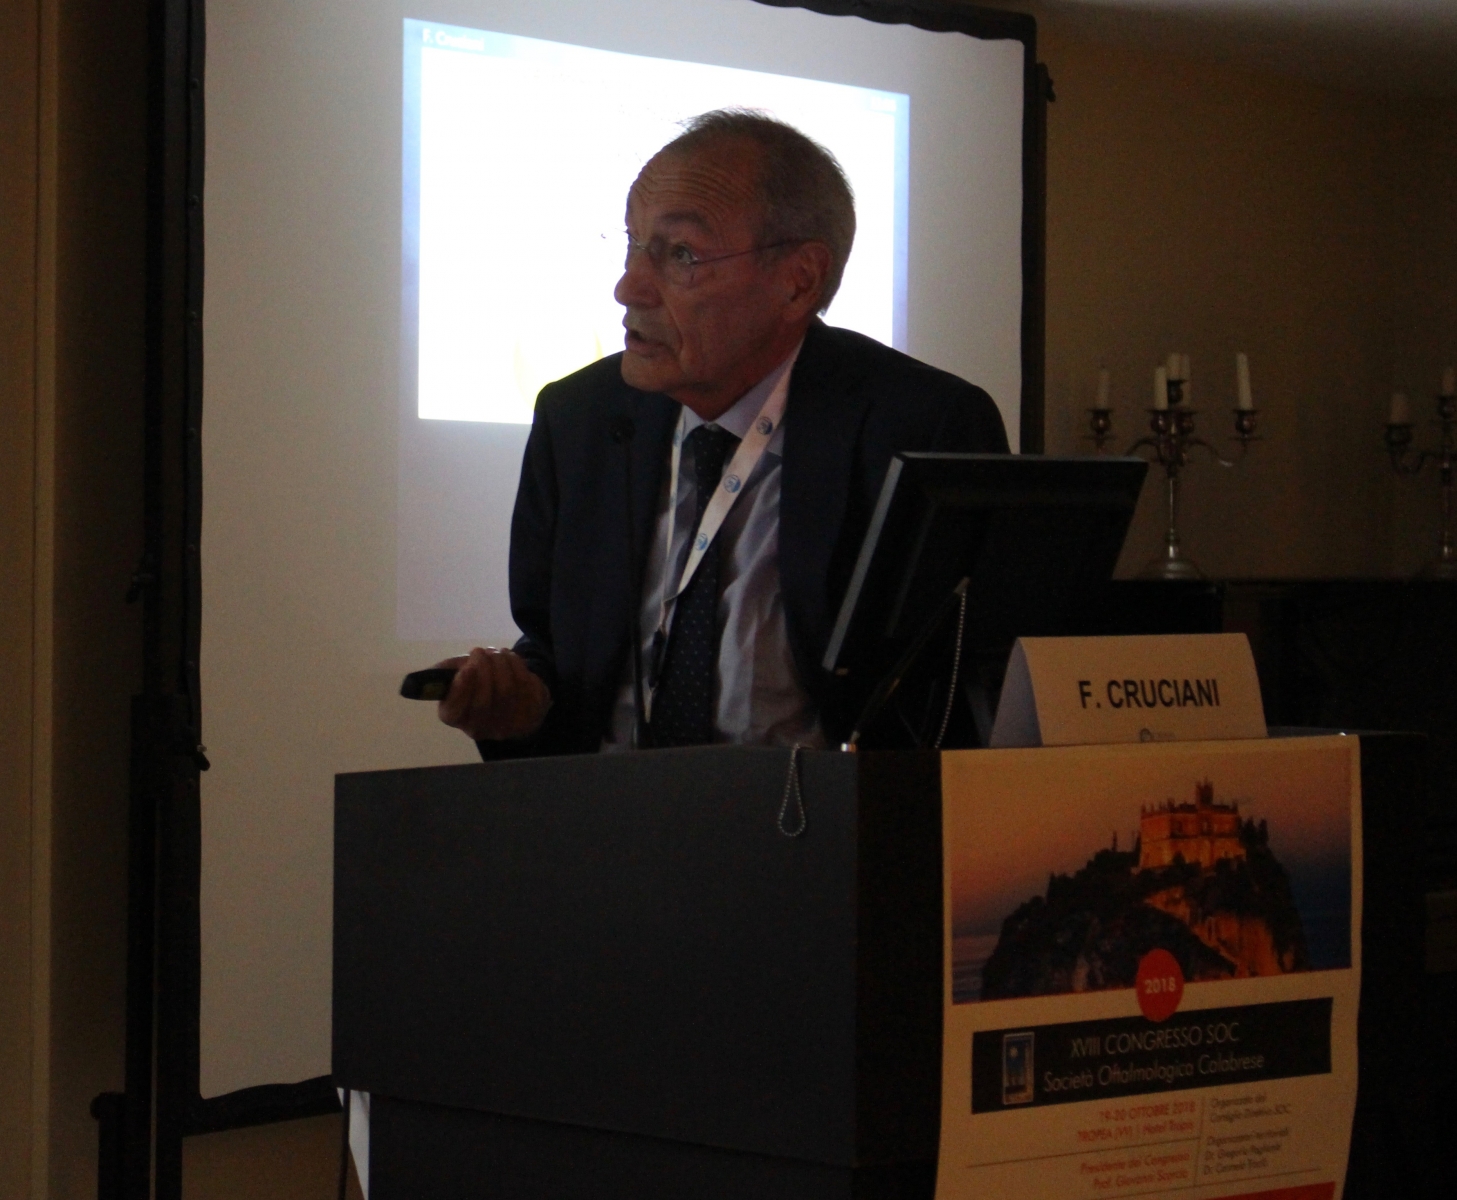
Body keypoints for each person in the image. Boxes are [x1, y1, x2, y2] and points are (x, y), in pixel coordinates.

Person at [436, 109, 1007, 755]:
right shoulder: (579, 420)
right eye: (632, 243)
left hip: (814, 813)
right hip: (610, 809)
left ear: (798, 281)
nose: (628, 287)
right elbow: (555, 656)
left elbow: (960, 697)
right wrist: (521, 703)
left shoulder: (920, 428)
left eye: (681, 253)